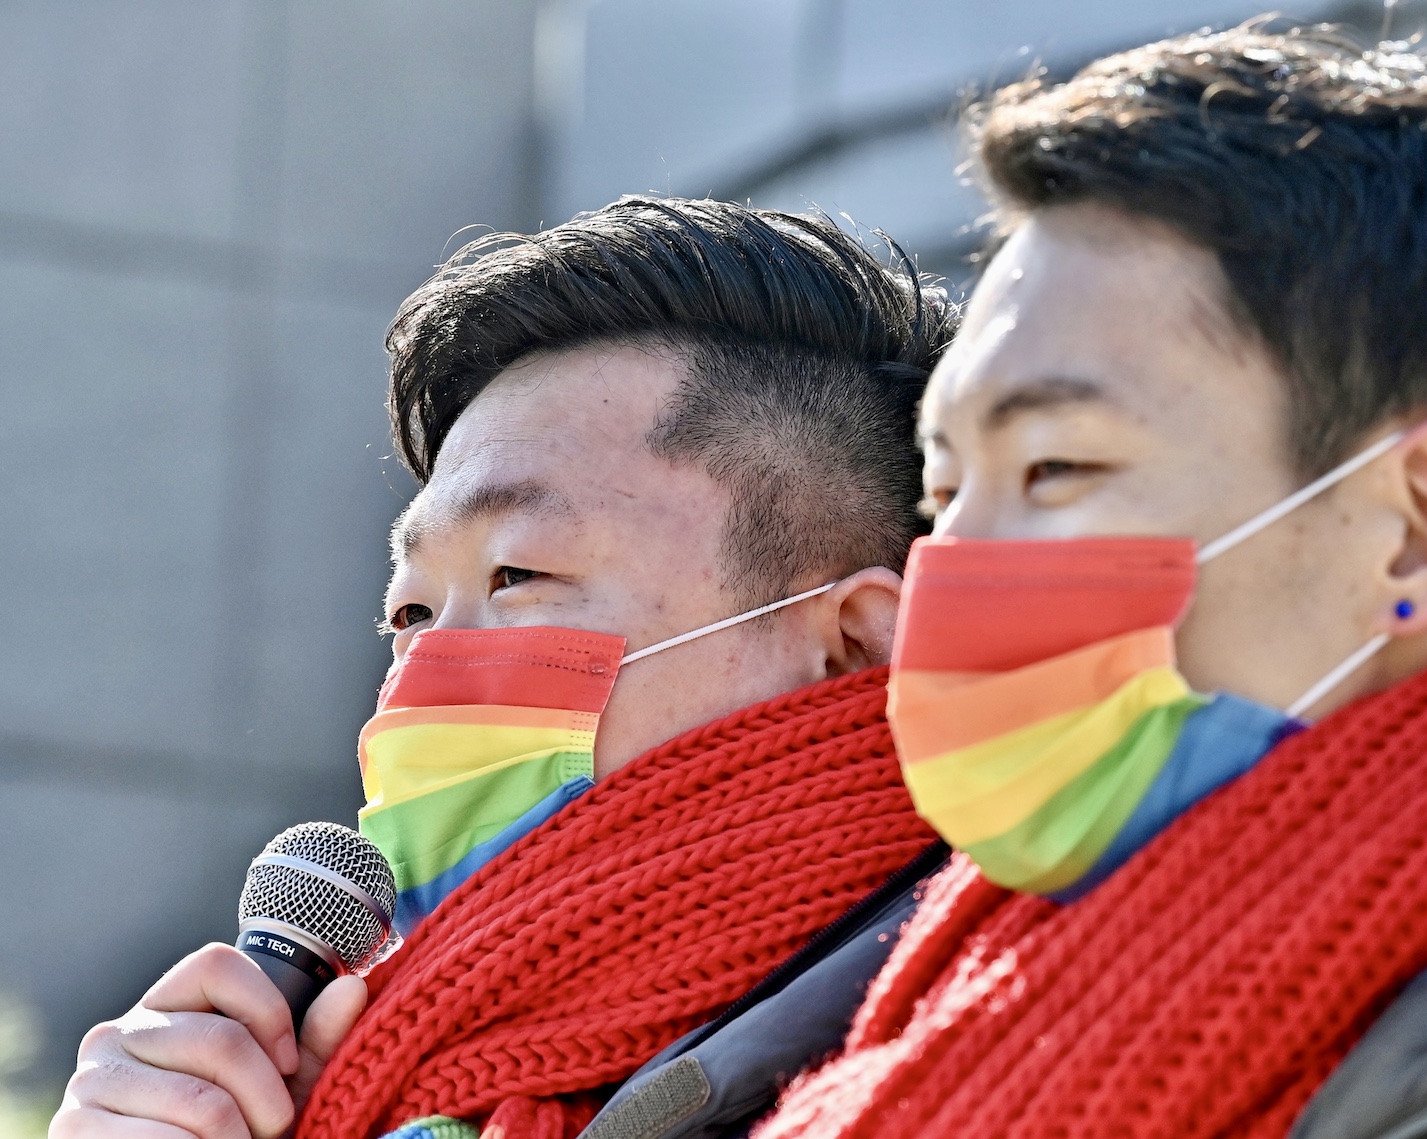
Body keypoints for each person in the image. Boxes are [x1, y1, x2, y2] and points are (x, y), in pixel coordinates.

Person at [745, 24, 1427, 1139]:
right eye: (943, 494)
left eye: (1056, 466)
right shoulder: (892, 1027)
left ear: (1418, 533)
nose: (948, 570)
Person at [51, 198, 955, 1139]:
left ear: (855, 644)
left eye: (518, 573)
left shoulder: (985, 1053)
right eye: (408, 610)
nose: (429, 668)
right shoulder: (346, 1090)